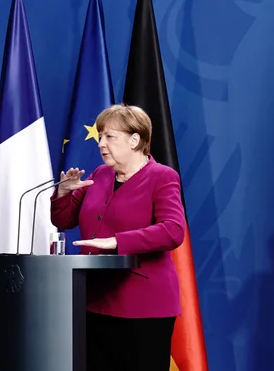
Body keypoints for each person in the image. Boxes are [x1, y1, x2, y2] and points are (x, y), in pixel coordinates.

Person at [50, 104, 185, 371]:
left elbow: (173, 230)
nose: (101, 144)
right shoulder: (99, 175)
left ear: (135, 140)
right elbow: (64, 220)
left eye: (110, 137)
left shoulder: (162, 177)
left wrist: (117, 242)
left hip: (142, 304)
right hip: (92, 300)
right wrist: (63, 194)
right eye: (100, 136)